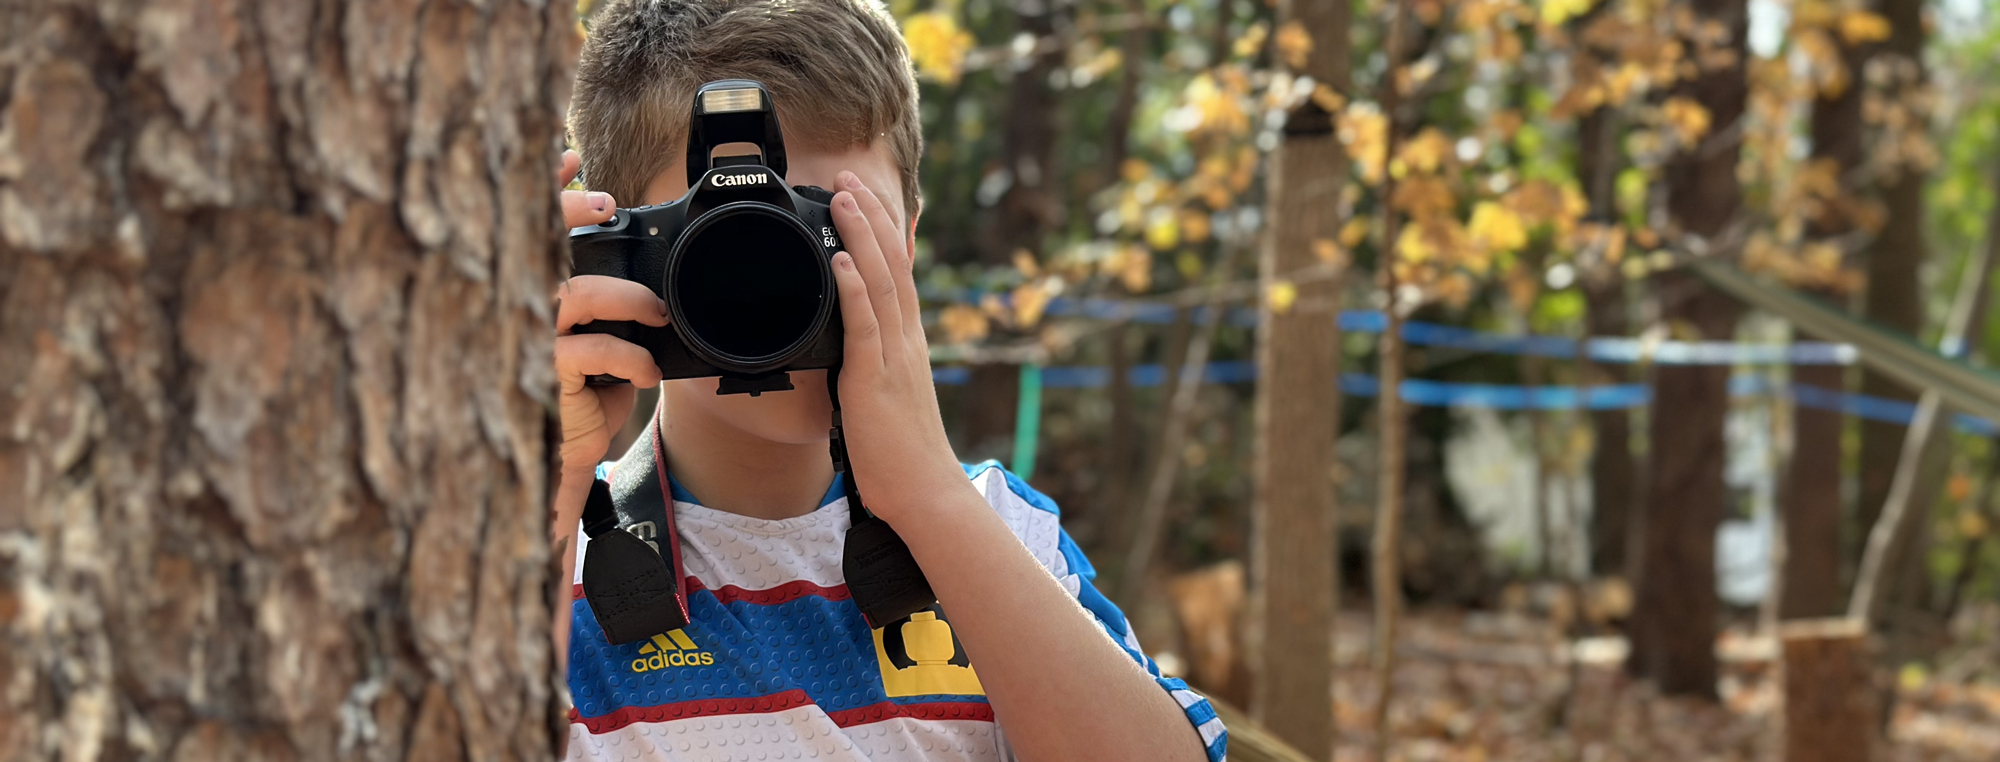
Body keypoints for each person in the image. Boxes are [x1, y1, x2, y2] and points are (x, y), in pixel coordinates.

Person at [550, 1, 1225, 759]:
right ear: (615, 257)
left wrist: (928, 497)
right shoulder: (543, 553)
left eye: (828, 231)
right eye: (738, 240)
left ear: (903, 241)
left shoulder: (998, 531)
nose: (783, 288)